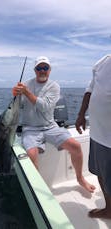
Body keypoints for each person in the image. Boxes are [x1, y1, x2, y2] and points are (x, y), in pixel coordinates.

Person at [13, 56, 95, 193]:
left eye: (45, 68)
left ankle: (80, 178)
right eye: (39, 68)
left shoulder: (54, 86)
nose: (42, 70)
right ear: (35, 70)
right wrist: (15, 95)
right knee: (31, 154)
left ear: (50, 70)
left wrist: (26, 92)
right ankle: (38, 188)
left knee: (75, 146)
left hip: (50, 126)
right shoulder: (26, 84)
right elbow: (19, 105)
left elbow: (44, 106)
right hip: (30, 128)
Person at [75, 54, 111, 218]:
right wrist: (81, 114)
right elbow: (90, 90)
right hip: (97, 132)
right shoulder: (102, 62)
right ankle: (109, 209)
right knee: (100, 173)